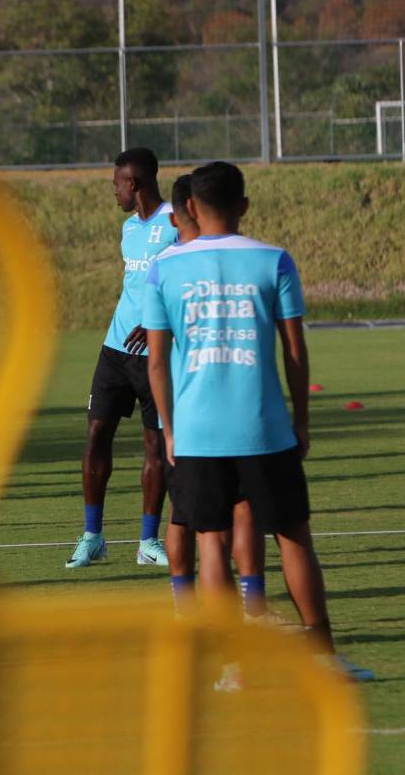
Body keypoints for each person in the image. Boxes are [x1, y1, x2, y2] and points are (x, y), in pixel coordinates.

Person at [144, 160, 372, 681]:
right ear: (244, 206)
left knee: (211, 546)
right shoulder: (274, 260)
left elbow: (157, 361)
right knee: (294, 539)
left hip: (197, 433)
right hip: (263, 427)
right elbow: (295, 350)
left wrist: (171, 430)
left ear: (193, 209)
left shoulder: (166, 267)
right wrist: (303, 420)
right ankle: (325, 658)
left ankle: (234, 666)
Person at [161, 174, 265, 620]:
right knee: (208, 519)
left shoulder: (172, 264)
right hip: (206, 411)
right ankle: (228, 615)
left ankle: (219, 616)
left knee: (201, 518)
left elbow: (151, 350)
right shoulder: (180, 263)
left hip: (186, 413)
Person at [69, 147, 177, 569]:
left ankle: (147, 542)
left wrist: (157, 322)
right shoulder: (128, 229)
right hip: (115, 350)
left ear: (132, 183)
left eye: (115, 183)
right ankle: (93, 537)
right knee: (96, 437)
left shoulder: (174, 223)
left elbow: (187, 276)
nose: (112, 190)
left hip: (157, 355)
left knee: (154, 445)